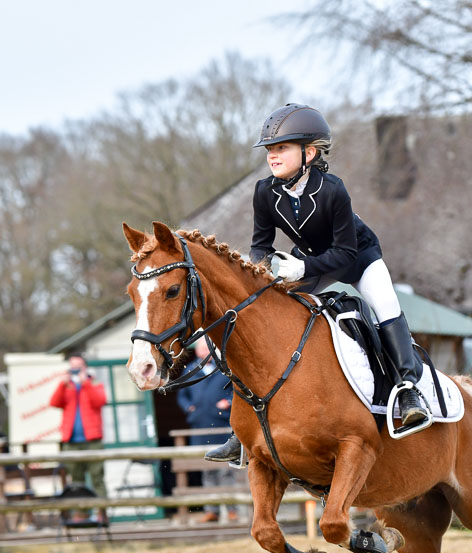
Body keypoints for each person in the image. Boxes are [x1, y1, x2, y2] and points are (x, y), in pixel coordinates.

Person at [205, 102, 429, 462]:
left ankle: (408, 390)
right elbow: (261, 244)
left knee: (386, 305)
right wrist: (259, 272)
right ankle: (242, 428)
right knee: (261, 320)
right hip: (308, 262)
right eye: (270, 151)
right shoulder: (265, 192)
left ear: (309, 153)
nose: (272, 157)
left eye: (281, 148)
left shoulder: (333, 190)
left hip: (357, 258)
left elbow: (344, 252)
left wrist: (301, 269)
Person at [177, 337, 239, 523]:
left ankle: (231, 509)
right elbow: (182, 395)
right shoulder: (190, 371)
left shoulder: (224, 370)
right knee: (207, 471)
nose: (203, 353)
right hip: (200, 426)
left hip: (221, 426)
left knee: (226, 471)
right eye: (200, 350)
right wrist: (189, 408)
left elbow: (236, 391)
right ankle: (212, 511)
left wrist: (227, 403)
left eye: (206, 349)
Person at [49, 354, 107, 497]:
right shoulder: (67, 386)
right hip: (71, 441)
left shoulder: (94, 383)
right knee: (76, 482)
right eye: (72, 367)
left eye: (78, 367)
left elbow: (100, 401)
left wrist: (85, 383)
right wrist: (63, 384)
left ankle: (102, 515)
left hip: (93, 441)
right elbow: (54, 402)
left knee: (97, 479)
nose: (75, 370)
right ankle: (81, 517)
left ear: (85, 367)